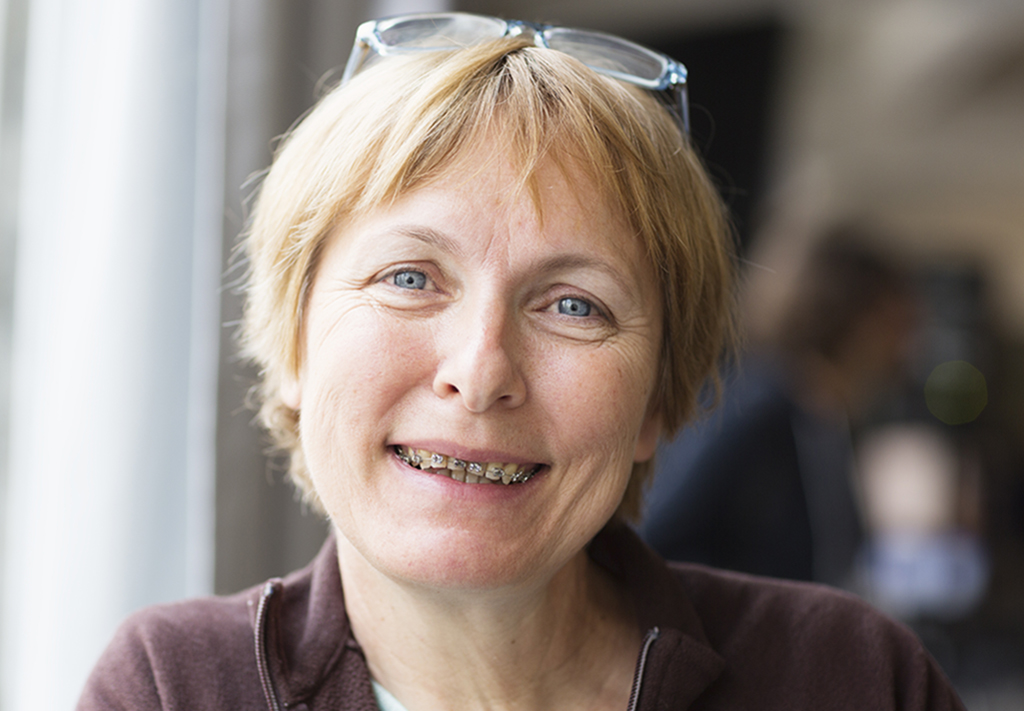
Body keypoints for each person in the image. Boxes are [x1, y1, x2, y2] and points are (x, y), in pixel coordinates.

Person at [78, 13, 962, 710]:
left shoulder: (850, 678)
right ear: (296, 345)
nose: (481, 367)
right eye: (410, 277)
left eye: (573, 304)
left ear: (659, 396)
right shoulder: (171, 687)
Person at [640, 235, 917, 588]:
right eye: (897, 325)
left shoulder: (821, 421)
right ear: (856, 317)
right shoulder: (756, 406)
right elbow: (661, 533)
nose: (907, 350)